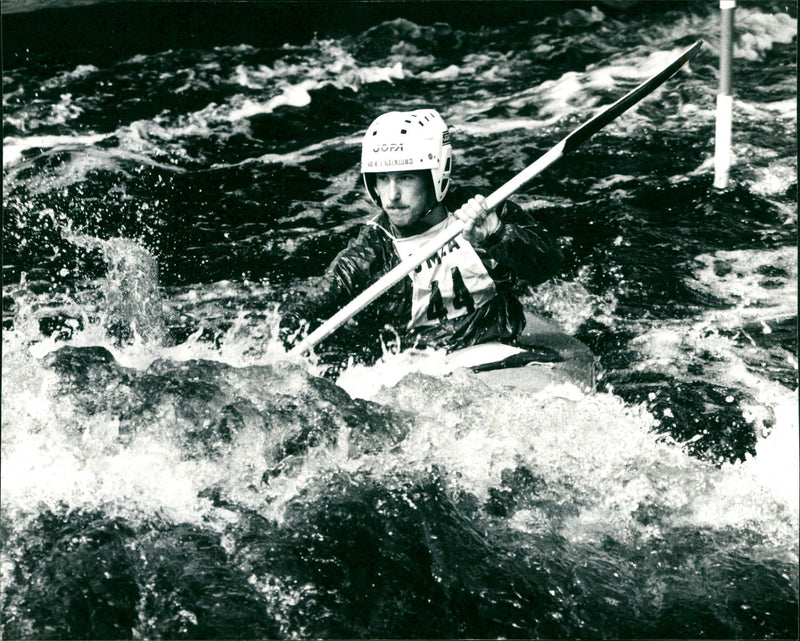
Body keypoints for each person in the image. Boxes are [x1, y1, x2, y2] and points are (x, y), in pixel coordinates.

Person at [279, 108, 563, 359]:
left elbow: (548, 266)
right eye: (383, 179)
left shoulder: (483, 212)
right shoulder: (370, 251)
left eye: (405, 177)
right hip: (422, 375)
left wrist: (496, 235)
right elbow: (307, 306)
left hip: (498, 354)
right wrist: (289, 335)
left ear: (434, 176)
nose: (392, 195)